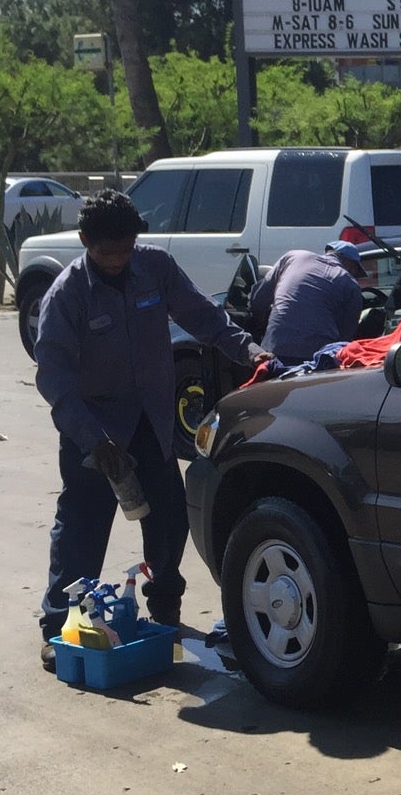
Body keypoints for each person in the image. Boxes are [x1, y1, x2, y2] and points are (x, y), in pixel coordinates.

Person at [34, 189, 270, 669]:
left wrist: (249, 350)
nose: (118, 261)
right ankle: (59, 624)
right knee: (82, 523)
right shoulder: (67, 295)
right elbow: (53, 379)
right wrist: (93, 440)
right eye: (107, 253)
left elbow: (203, 315)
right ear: (85, 242)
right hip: (93, 428)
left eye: (125, 249)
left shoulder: (155, 267)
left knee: (168, 518)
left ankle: (165, 606)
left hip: (152, 421)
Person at [248, 242, 370, 366]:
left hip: (274, 347)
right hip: (316, 357)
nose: (355, 275)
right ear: (350, 263)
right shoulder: (350, 284)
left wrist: (260, 324)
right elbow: (346, 335)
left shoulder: (294, 257)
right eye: (356, 270)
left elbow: (258, 299)